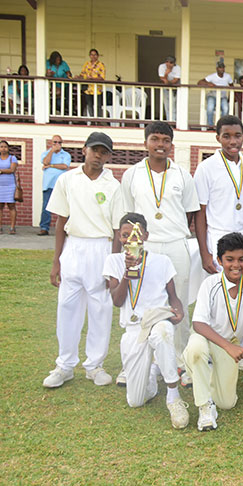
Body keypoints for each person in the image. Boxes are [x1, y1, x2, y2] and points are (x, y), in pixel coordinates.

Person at [118, 121, 200, 387]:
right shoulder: (132, 174)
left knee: (180, 303)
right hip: (145, 246)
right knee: (142, 302)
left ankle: (180, 360)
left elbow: (190, 212)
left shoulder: (182, 175)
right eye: (155, 139)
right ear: (145, 143)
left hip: (176, 243)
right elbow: (127, 216)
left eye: (165, 140)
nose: (160, 145)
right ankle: (139, 360)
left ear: (171, 145)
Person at [42, 132, 121, 388]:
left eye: (104, 152)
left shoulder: (113, 185)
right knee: (67, 307)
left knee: (100, 308)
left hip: (102, 246)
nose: (99, 155)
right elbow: (60, 221)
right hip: (74, 246)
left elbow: (119, 229)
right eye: (95, 150)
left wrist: (114, 264)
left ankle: (94, 365)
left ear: (109, 155)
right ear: (84, 150)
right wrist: (56, 261)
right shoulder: (67, 180)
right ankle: (64, 365)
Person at [103, 213, 189, 429]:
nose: (131, 239)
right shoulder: (113, 260)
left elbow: (173, 297)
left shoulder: (162, 261)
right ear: (120, 237)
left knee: (163, 333)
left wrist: (178, 311)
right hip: (133, 327)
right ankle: (152, 372)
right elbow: (117, 300)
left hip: (158, 317)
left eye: (136, 235)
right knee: (135, 400)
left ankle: (173, 396)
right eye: (125, 235)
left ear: (146, 236)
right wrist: (127, 272)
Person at [184, 232, 243, 430]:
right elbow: (199, 325)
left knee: (227, 403)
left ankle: (203, 375)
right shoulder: (210, 284)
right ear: (220, 260)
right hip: (206, 339)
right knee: (196, 349)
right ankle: (204, 407)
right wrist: (228, 346)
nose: (236, 265)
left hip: (230, 347)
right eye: (229, 260)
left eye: (241, 259)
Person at [195, 116, 243, 276]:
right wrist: (205, 254)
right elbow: (200, 212)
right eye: (227, 136)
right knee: (220, 292)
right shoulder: (206, 168)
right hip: (218, 237)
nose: (233, 141)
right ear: (218, 138)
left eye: (237, 136)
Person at [39, 135, 71, 236]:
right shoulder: (46, 153)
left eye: (59, 142)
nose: (57, 144)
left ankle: (66, 228)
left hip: (61, 185)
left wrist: (51, 166)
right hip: (48, 185)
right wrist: (52, 151)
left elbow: (65, 166)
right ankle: (44, 228)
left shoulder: (65, 155)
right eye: (55, 142)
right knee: (46, 207)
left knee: (64, 207)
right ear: (51, 143)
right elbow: (45, 162)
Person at [198, 62, 233, 127]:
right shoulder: (212, 76)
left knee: (225, 109)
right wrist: (208, 84)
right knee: (210, 108)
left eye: (223, 67)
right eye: (220, 67)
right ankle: (210, 125)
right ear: (217, 69)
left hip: (223, 96)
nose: (222, 69)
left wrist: (230, 97)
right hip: (212, 95)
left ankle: (223, 125)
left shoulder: (227, 76)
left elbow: (232, 86)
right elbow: (199, 82)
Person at [77, 48, 106, 118]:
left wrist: (92, 78)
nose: (93, 56)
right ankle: (92, 119)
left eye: (95, 55)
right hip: (88, 89)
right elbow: (82, 74)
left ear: (98, 56)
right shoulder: (87, 64)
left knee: (98, 105)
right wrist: (77, 77)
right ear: (89, 56)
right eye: (92, 55)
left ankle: (99, 119)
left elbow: (102, 77)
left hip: (97, 89)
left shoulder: (101, 65)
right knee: (89, 105)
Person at [0, 140, 18, 234]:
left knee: (11, 206)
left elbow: (12, 170)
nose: (3, 148)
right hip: (0, 186)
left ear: (8, 148)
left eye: (5, 147)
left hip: (10, 186)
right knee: (0, 207)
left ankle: (12, 227)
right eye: (1, 146)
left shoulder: (12, 158)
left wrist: (1, 171)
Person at [158, 55, 180, 121]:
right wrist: (166, 74)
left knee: (174, 106)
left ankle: (174, 122)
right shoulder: (162, 67)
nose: (168, 64)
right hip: (166, 88)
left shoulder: (178, 68)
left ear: (174, 63)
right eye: (167, 62)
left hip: (175, 88)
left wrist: (167, 82)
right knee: (167, 106)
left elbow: (175, 81)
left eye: (171, 62)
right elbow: (162, 80)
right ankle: (169, 122)